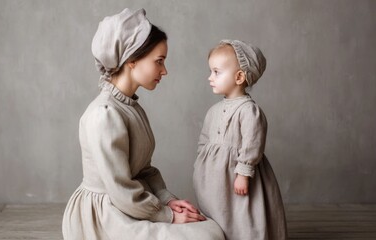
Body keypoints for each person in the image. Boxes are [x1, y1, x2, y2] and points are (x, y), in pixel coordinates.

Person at [62, 8, 225, 240]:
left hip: (132, 202)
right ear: (132, 60)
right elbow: (120, 190)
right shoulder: (104, 114)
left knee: (211, 229)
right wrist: (166, 214)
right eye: (159, 61)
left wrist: (168, 199)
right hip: (106, 214)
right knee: (207, 236)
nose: (164, 70)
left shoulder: (131, 107)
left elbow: (144, 170)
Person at [193, 39, 288, 240]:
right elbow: (204, 139)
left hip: (236, 175)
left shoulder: (249, 111)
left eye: (216, 72)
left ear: (239, 77)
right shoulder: (213, 111)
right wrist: (200, 165)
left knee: (242, 212)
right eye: (211, 71)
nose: (210, 77)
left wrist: (243, 172)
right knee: (218, 212)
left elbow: (253, 144)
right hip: (214, 179)